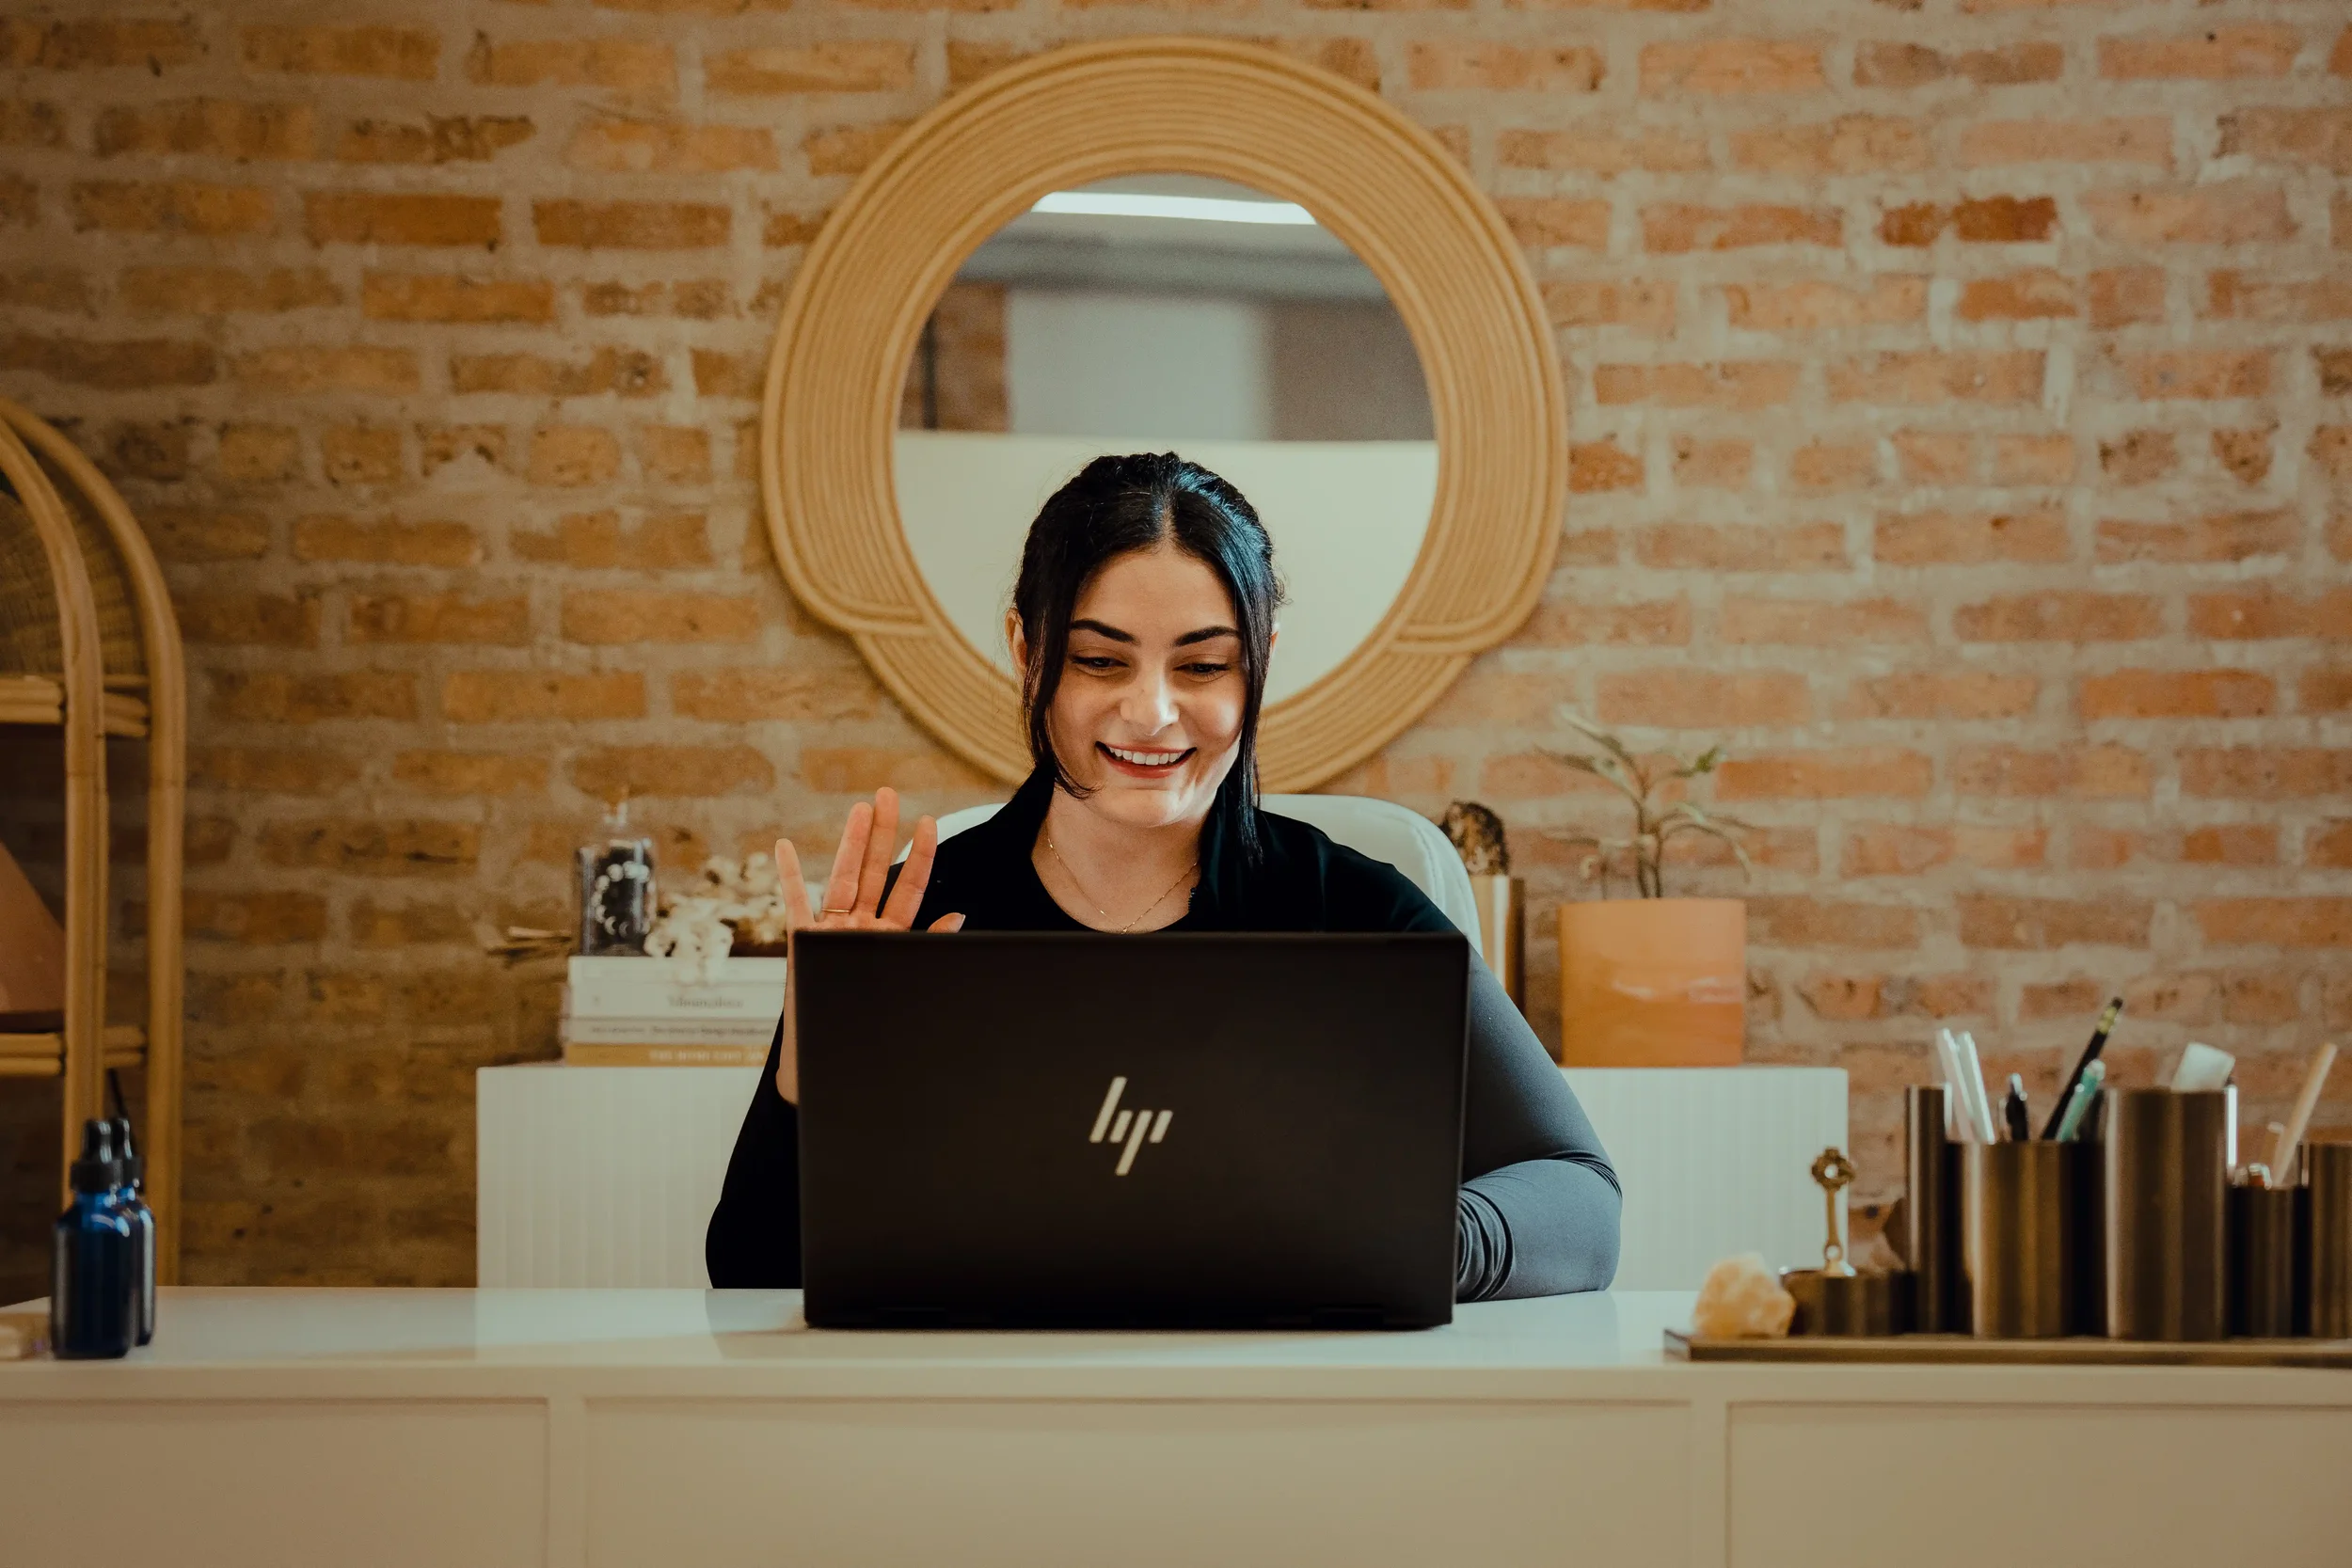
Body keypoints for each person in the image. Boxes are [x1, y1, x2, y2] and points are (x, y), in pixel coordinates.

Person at [707, 452, 1620, 1300]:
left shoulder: (1356, 909)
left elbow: (1579, 1197)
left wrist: (1414, 1235)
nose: (1150, 711)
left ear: (1259, 657)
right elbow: (747, 1268)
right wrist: (810, 1070)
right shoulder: (909, 914)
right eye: (1099, 659)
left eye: (1203, 664)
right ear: (1028, 654)